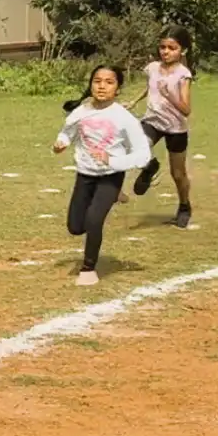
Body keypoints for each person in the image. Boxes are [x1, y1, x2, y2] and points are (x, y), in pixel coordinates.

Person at [54, 65, 152, 286]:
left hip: (111, 175)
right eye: (97, 81)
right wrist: (62, 142)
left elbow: (143, 155)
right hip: (85, 175)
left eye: (109, 82)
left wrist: (113, 161)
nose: (102, 86)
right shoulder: (81, 111)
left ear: (118, 89)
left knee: (94, 219)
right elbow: (67, 131)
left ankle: (88, 268)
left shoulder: (124, 118)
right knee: (76, 227)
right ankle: (115, 195)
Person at [128, 28, 197, 228]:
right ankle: (150, 167)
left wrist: (170, 96)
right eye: (162, 47)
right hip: (152, 120)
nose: (165, 51)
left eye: (172, 48)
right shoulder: (152, 68)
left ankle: (184, 206)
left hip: (175, 128)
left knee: (178, 174)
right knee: (134, 143)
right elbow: (151, 86)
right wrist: (133, 101)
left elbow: (186, 110)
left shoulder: (183, 75)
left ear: (182, 51)